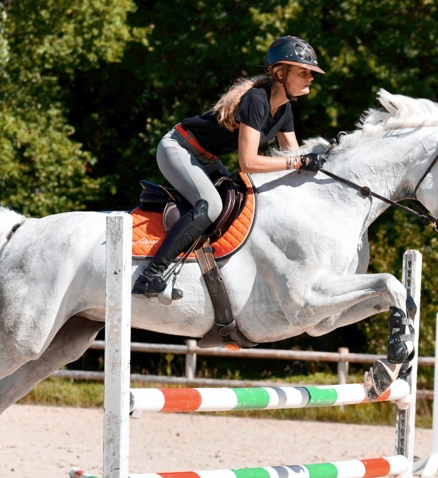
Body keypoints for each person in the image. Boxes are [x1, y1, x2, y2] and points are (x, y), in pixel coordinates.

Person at [133, 35, 327, 296]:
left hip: (208, 159)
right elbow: (248, 163)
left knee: (245, 201)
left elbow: (294, 155)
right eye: (304, 71)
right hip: (178, 148)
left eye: (311, 73)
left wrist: (323, 155)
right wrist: (300, 161)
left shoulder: (284, 110)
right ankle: (151, 274)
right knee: (210, 206)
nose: (310, 77)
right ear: (281, 72)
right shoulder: (257, 100)